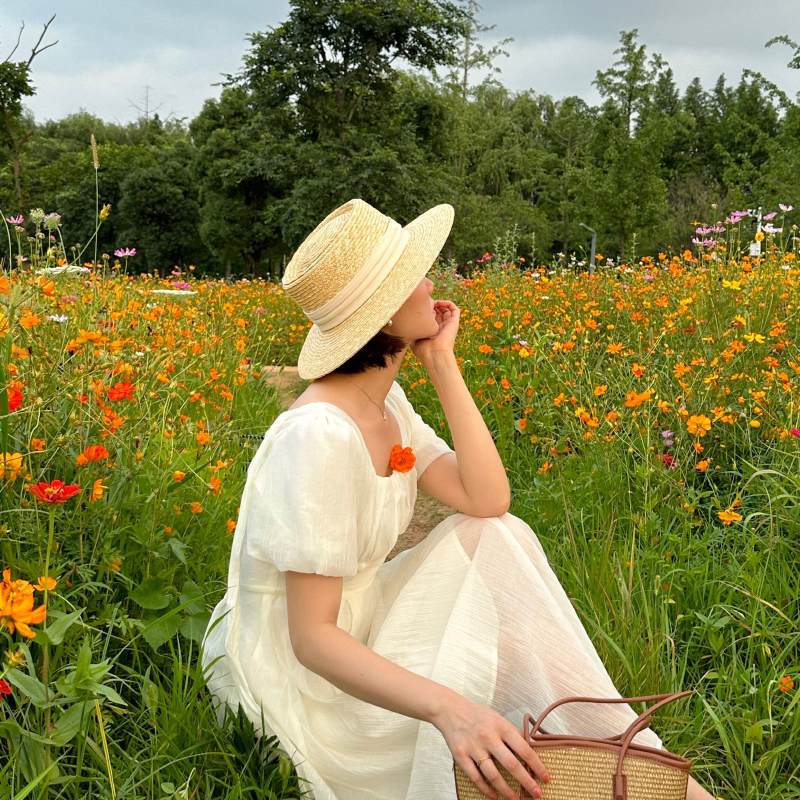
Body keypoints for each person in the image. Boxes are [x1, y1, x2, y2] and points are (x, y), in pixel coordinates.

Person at [201, 199, 717, 800]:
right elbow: (311, 639)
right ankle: (610, 760)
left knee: (497, 537)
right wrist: (450, 710)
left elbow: (487, 499)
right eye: (413, 276)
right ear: (386, 314)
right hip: (311, 684)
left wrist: (443, 365)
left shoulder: (384, 405)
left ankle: (615, 753)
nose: (431, 283)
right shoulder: (317, 435)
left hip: (364, 623)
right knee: (477, 696)